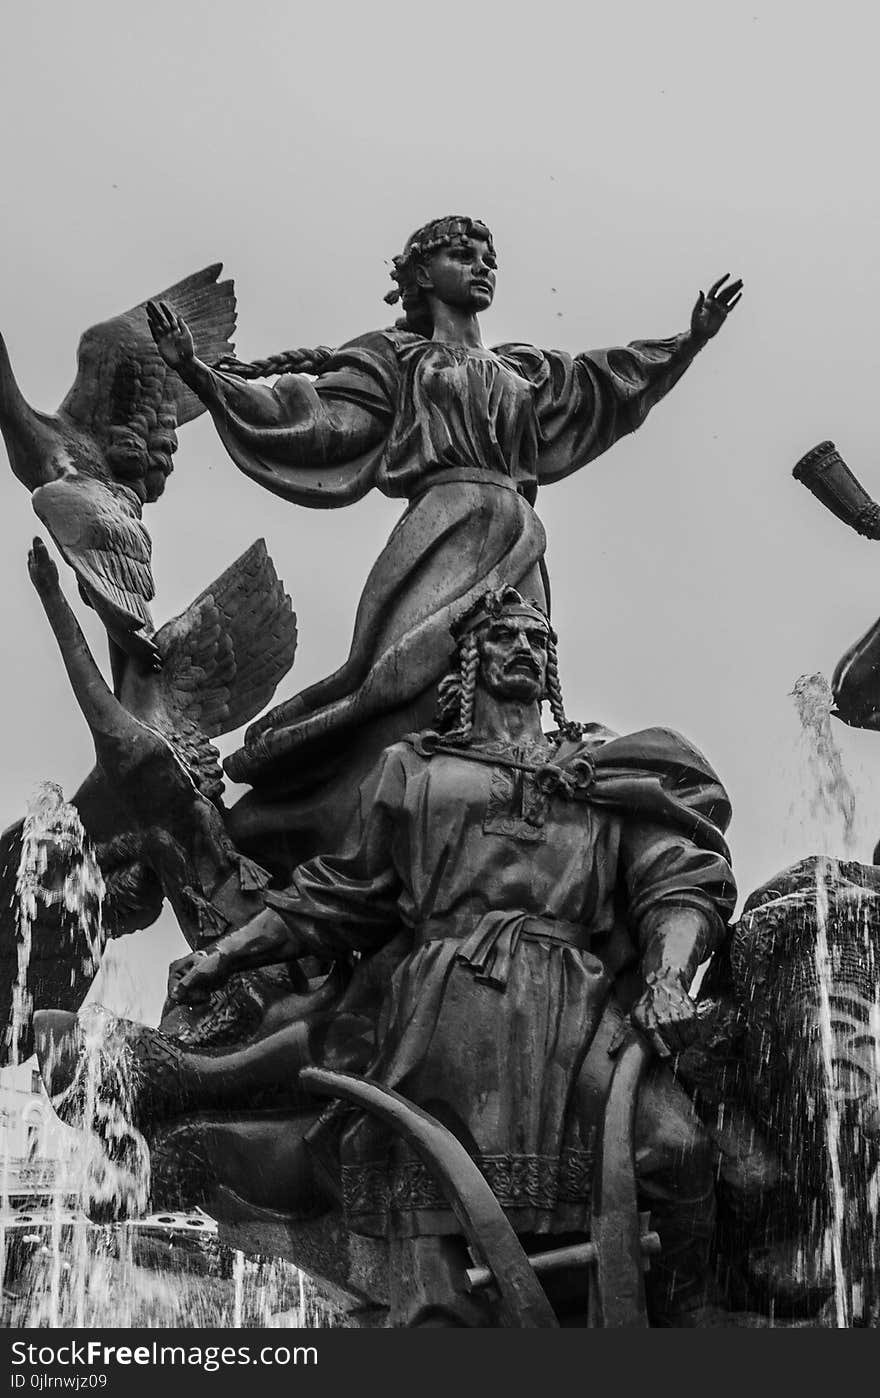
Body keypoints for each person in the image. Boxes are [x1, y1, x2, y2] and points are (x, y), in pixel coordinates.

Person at [171, 585, 737, 1325]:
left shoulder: (602, 770)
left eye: (539, 638)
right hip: (445, 1008)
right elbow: (340, 895)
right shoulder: (414, 769)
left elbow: (675, 880)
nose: (527, 648)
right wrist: (229, 956)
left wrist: (667, 976)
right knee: (438, 1197)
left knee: (677, 1146)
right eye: (507, 637)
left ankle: (688, 1319)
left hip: (579, 1008)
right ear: (470, 659)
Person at [147, 217, 742, 862]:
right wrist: (203, 377)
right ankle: (328, 840)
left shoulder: (523, 369)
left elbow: (607, 387)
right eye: (464, 254)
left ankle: (498, 848)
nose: (483, 264)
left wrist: (689, 342)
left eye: (490, 256)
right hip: (440, 526)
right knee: (396, 695)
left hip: (518, 536)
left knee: (510, 697)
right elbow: (322, 423)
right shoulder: (393, 359)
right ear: (421, 275)